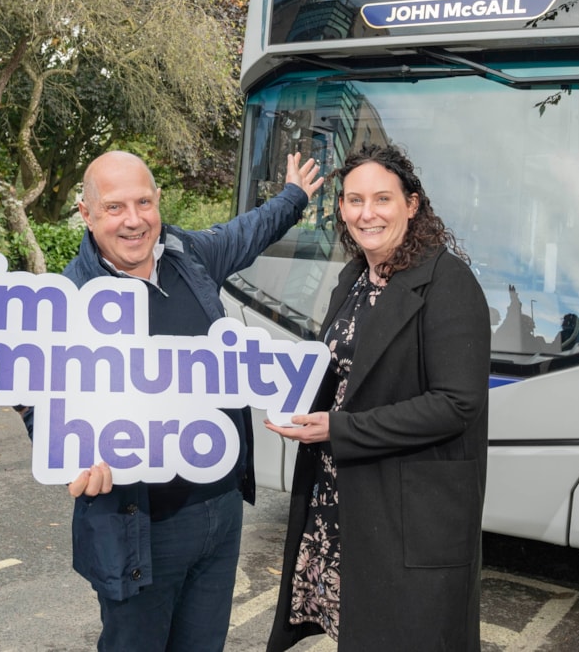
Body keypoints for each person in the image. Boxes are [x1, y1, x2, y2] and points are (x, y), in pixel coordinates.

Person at [51, 148, 323, 652]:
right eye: (114, 207)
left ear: (158, 201)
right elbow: (34, 395)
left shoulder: (186, 253)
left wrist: (294, 197)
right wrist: (72, 454)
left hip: (221, 510)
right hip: (140, 524)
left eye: (144, 202)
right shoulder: (68, 299)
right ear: (86, 215)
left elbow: (248, 230)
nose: (134, 221)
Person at [264, 143, 491, 652]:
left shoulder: (448, 284)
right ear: (341, 208)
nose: (367, 213)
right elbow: (346, 370)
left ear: (412, 204)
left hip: (409, 514)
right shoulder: (354, 277)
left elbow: (456, 404)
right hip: (346, 498)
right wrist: (291, 390)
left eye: (382, 199)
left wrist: (338, 428)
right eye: (353, 200)